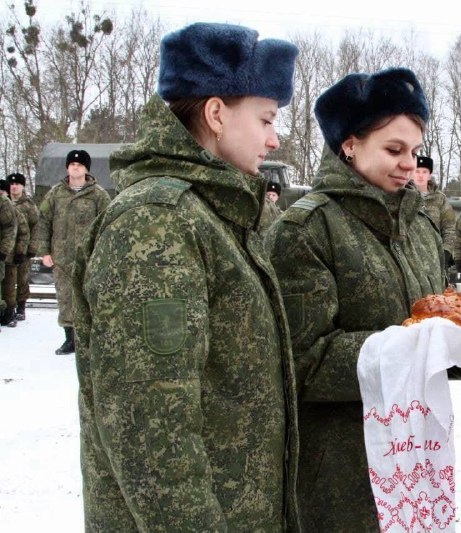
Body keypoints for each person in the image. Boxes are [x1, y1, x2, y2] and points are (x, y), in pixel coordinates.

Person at [71, 23, 300, 531]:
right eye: (265, 118)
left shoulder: (215, 215)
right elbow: (153, 437)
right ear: (216, 113)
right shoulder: (157, 224)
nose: (273, 136)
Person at [266, 67, 446, 530]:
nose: (410, 164)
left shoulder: (420, 229)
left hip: (418, 453)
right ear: (349, 144)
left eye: (415, 151)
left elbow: (434, 332)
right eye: (394, 149)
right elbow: (301, 362)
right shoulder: (307, 230)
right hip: (343, 468)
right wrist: (410, 346)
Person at [35, 149, 110, 354]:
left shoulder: (99, 195)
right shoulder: (55, 194)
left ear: (86, 169)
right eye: (72, 164)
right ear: (67, 167)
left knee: (89, 297)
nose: (75, 167)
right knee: (65, 297)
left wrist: (103, 253)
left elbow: (107, 224)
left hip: (89, 258)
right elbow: (44, 223)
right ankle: (71, 339)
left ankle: (90, 338)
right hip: (62, 258)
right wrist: (44, 252)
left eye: (80, 164)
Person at [6, 173, 39, 321]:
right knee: (8, 280)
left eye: (17, 184)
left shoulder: (29, 205)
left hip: (23, 249)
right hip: (7, 248)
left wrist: (32, 248)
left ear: (22, 186)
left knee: (22, 279)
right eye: (12, 184)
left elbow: (36, 227)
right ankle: (8, 308)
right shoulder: (4, 203)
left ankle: (21, 307)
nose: (14, 187)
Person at [414, 154, 457, 267]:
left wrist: (446, 252)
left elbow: (449, 228)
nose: (420, 175)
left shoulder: (440, 199)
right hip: (410, 256)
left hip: (435, 257)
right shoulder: (403, 196)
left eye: (424, 172)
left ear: (429, 176)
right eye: (417, 171)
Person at [0, 176, 29, 327]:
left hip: (10, 256)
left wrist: (21, 251)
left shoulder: (14, 210)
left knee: (10, 287)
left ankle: (11, 311)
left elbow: (23, 232)